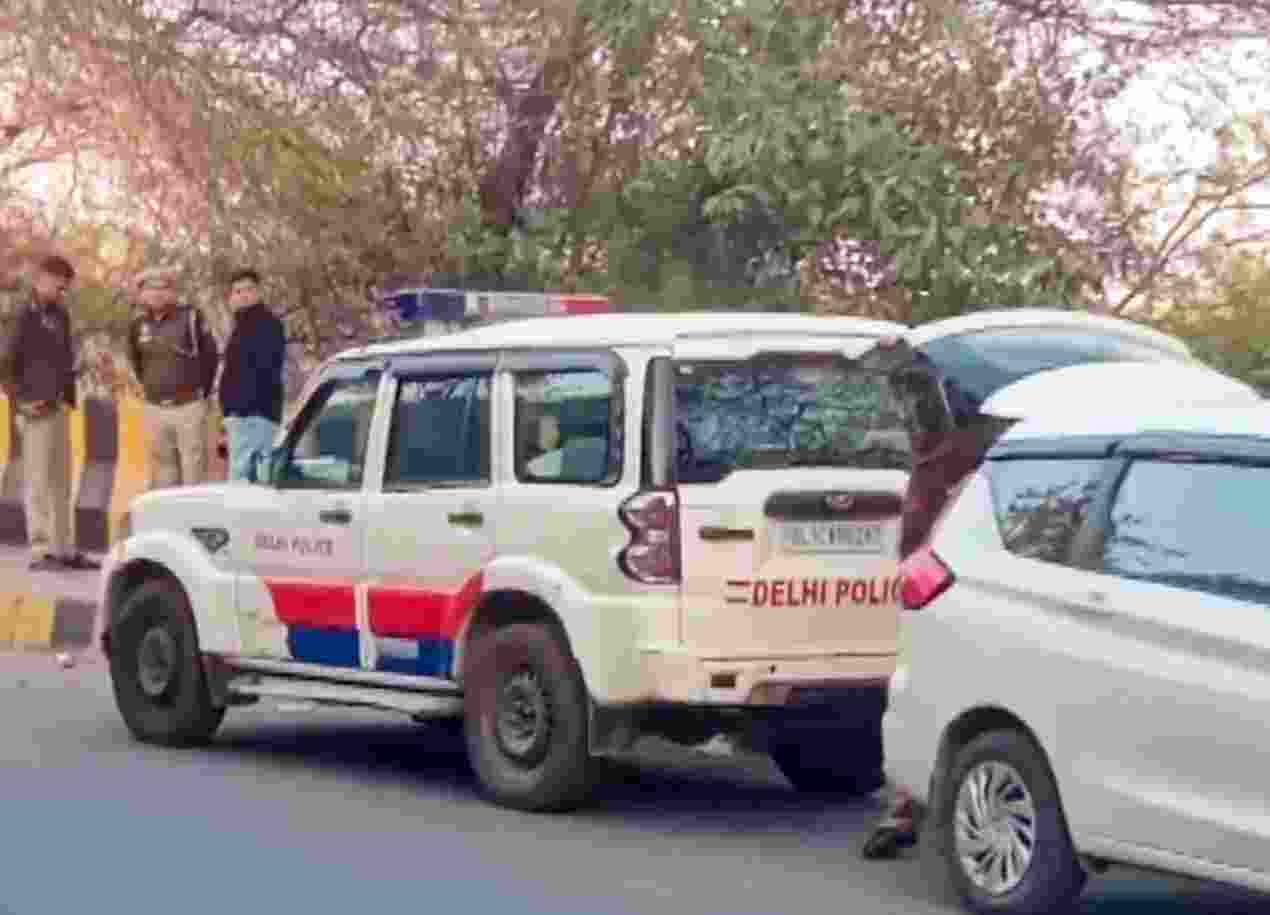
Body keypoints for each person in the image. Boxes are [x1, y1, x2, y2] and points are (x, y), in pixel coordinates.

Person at [0, 254, 101, 570]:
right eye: (58, 287)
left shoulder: (61, 315)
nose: (62, 293)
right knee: (38, 480)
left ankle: (64, 549)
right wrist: (20, 402)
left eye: (65, 288)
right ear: (41, 279)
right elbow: (6, 363)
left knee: (61, 481)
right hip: (34, 409)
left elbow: (59, 360)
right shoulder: (23, 315)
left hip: (58, 406)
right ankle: (41, 551)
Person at [126, 267, 219, 490]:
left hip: (189, 407)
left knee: (193, 473)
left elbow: (210, 357)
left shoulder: (191, 316)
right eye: (151, 288)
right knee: (163, 474)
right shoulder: (138, 324)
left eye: (163, 288)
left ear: (173, 292)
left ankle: (193, 523)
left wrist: (201, 394)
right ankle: (170, 523)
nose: (157, 293)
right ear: (142, 294)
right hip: (155, 408)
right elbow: (137, 362)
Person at [218, 268, 286, 481]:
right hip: (240, 416)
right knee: (249, 476)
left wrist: (241, 409)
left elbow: (265, 370)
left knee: (245, 478)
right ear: (231, 297)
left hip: (254, 414)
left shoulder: (268, 324)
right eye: (237, 291)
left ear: (259, 292)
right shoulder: (240, 325)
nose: (243, 295)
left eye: (249, 289)